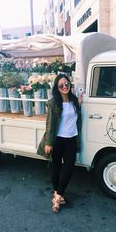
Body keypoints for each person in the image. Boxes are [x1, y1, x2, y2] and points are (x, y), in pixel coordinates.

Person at [37, 73, 82, 213]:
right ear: (57, 88)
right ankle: (58, 194)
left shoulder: (74, 101)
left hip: (71, 139)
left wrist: (79, 104)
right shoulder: (54, 103)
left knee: (68, 168)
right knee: (56, 167)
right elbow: (50, 124)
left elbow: (76, 117)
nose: (64, 86)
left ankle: (57, 196)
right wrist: (49, 142)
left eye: (67, 84)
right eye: (61, 85)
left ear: (70, 84)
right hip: (58, 140)